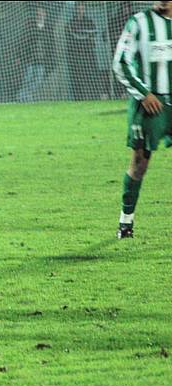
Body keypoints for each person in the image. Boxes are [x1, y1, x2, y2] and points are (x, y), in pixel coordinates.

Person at [112, 1, 172, 239]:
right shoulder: (138, 22)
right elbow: (121, 63)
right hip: (151, 106)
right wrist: (144, 93)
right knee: (139, 164)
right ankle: (125, 223)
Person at [18, 6, 54, 102]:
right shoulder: (31, 26)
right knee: (27, 79)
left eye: (42, 13)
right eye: (38, 13)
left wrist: (51, 58)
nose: (40, 15)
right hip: (30, 59)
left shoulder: (48, 28)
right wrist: (20, 56)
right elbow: (23, 42)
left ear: (45, 14)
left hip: (42, 60)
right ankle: (21, 97)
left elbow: (51, 45)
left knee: (37, 81)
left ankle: (27, 96)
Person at [65, 2, 99, 101]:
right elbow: (69, 40)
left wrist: (86, 39)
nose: (80, 10)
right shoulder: (70, 23)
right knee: (77, 79)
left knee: (90, 77)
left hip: (88, 54)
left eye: (82, 8)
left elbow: (93, 36)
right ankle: (78, 99)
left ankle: (92, 97)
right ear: (75, 9)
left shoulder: (89, 22)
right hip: (75, 56)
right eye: (78, 8)